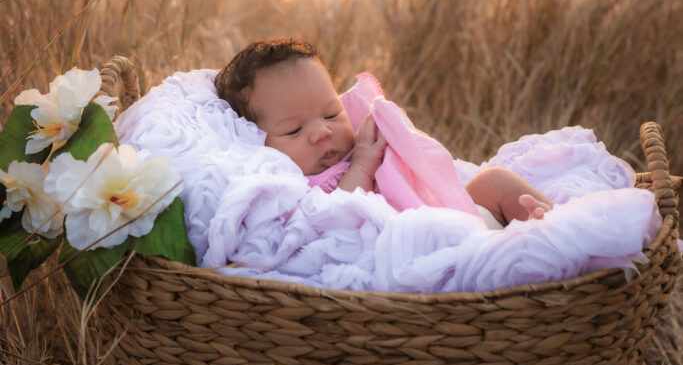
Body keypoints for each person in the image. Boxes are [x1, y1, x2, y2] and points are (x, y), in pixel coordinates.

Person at [214, 39, 552, 227]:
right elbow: (332, 219)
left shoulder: (362, 139)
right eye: (294, 130)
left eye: (332, 113)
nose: (322, 132)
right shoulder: (298, 189)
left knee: (495, 181)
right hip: (417, 240)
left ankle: (553, 224)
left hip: (454, 213)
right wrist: (361, 166)